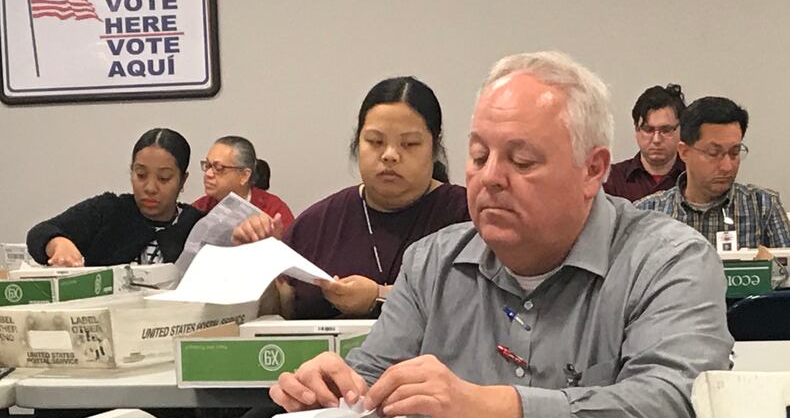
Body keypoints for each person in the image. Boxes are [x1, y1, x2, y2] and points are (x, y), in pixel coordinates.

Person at [264, 52, 732, 418]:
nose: (490, 177)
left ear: (593, 170)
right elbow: (372, 377)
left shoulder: (669, 260)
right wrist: (335, 391)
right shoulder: (431, 263)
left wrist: (493, 406)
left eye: (521, 161)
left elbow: (677, 400)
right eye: (479, 154)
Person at [233, 76, 469, 319]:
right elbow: (284, 313)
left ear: (434, 145)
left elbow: (478, 302)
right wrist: (260, 262)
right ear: (358, 141)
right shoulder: (317, 223)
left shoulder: (466, 216)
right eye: (375, 141)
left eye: (409, 144)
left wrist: (380, 295)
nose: (390, 155)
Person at [27, 128, 203, 267]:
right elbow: (40, 233)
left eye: (164, 178)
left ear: (182, 181)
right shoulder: (108, 210)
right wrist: (57, 244)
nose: (150, 188)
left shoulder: (197, 225)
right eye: (141, 174)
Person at [636, 96, 790, 248]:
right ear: (684, 152)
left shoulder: (763, 206)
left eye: (734, 153)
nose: (727, 166)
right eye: (713, 153)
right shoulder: (649, 213)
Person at [604, 84, 686, 201]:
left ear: (681, 130)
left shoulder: (694, 178)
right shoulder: (611, 180)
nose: (656, 139)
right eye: (648, 130)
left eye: (666, 130)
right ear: (636, 130)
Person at [192, 136, 295, 230]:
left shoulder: (274, 211)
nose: (208, 174)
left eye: (219, 168)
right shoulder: (198, 209)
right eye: (207, 165)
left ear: (245, 176)